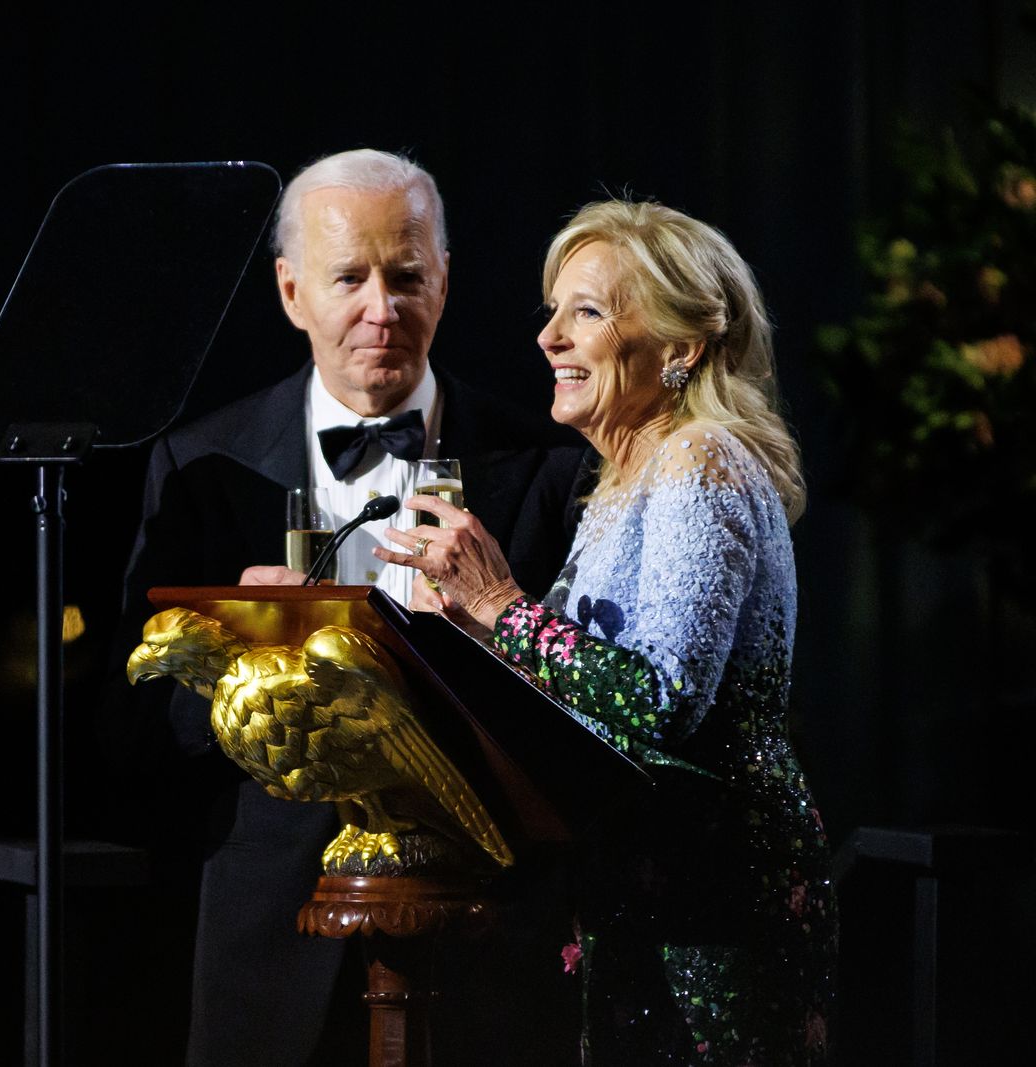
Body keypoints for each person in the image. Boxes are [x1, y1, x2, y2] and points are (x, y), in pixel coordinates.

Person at [112, 148, 590, 1066]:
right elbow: (131, 731)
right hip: (268, 949)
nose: (383, 308)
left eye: (407, 275)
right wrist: (230, 658)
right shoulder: (201, 468)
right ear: (292, 292)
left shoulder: (547, 463)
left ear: (445, 283)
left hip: (487, 944)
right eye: (349, 278)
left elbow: (579, 716)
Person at [375, 199, 838, 1064]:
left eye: (586, 311)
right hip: (641, 881)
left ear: (681, 346)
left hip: (718, 898)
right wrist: (461, 633)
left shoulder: (702, 458)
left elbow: (658, 701)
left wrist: (503, 605)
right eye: (552, 311)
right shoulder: (623, 478)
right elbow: (577, 690)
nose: (549, 337)